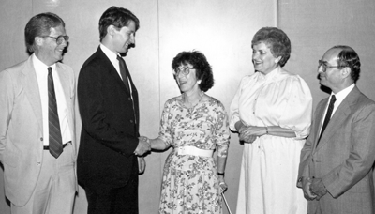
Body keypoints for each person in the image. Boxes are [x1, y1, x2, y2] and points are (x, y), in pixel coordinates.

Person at [230, 27, 312, 214]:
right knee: (256, 203)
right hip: (254, 154)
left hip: (281, 154)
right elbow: (234, 114)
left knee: (279, 203)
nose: (255, 57)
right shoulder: (248, 82)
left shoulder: (292, 83)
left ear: (277, 57)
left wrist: (264, 130)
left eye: (261, 52)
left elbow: (301, 129)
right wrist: (243, 128)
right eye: (254, 51)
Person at [0, 12, 77, 214]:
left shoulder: (68, 74)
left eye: (65, 38)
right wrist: (15, 161)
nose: (64, 44)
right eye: (58, 38)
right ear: (39, 40)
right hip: (28, 170)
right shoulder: (11, 77)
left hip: (65, 164)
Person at [77, 6, 150, 214]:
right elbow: (94, 123)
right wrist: (133, 145)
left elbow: (124, 116)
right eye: (129, 33)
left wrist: (134, 151)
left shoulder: (120, 64)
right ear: (111, 30)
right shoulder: (92, 68)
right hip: (102, 172)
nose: (133, 40)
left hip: (123, 168)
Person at [141, 51, 230, 213]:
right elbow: (164, 139)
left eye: (186, 70)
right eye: (177, 70)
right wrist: (147, 143)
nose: (180, 75)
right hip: (176, 173)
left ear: (200, 74)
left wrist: (220, 175)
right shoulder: (171, 106)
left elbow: (223, 145)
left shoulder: (215, 107)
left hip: (203, 174)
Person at [297, 45, 375, 213]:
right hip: (317, 201)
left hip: (347, 200)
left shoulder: (366, 108)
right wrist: (304, 178)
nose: (319, 70)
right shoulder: (322, 105)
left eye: (325, 65)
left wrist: (323, 184)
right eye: (320, 64)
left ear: (344, 71)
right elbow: (310, 146)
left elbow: (361, 161)